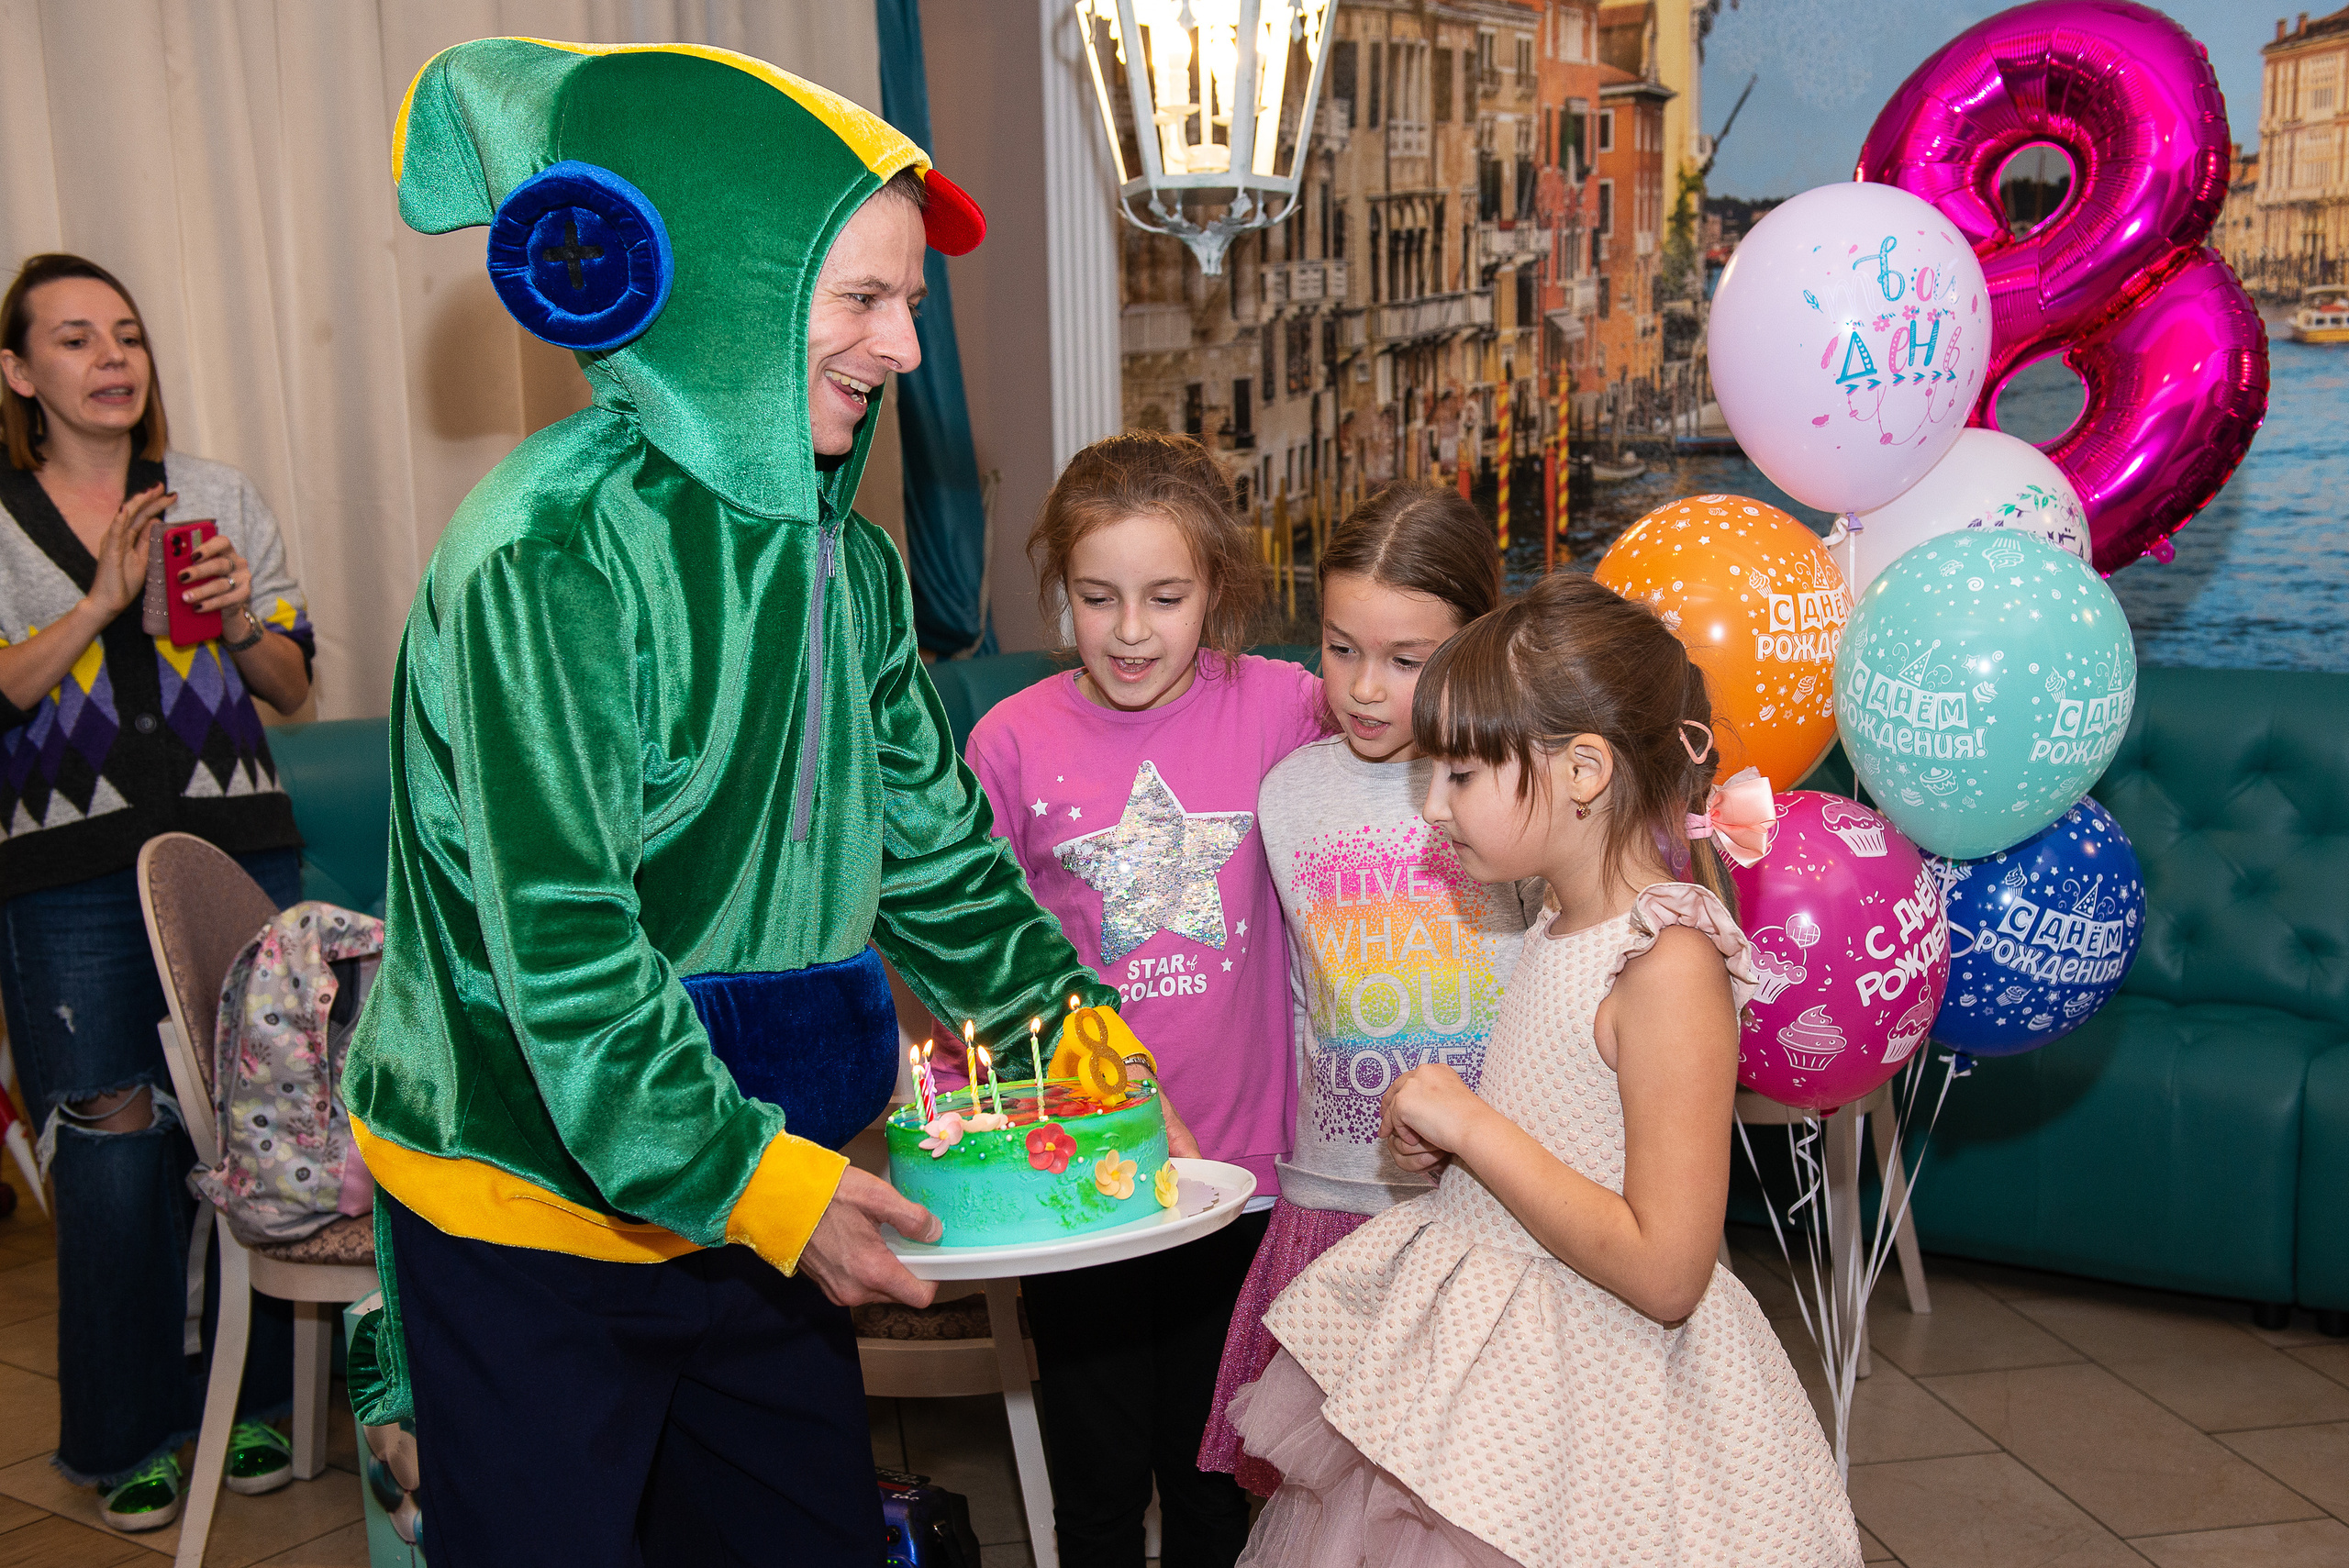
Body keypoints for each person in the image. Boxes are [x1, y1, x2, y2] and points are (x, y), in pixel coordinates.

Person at [340, 39, 1129, 1566]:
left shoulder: (857, 561)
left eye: (911, 303)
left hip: (762, 1191)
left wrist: (1082, 1045)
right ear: (723, 289)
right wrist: (759, 1184)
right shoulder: (545, 555)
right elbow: (561, 946)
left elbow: (938, 855)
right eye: (862, 299)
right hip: (536, 1215)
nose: (905, 346)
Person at [1229, 572, 1861, 1567]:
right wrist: (1454, 1146)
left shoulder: (1666, 963)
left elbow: (1665, 1267)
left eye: (1462, 776)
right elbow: (1571, 1134)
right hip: (1499, 1358)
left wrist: (1479, 1129)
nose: (1434, 807)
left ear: (1579, 770)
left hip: (1599, 1395)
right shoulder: (1556, 921)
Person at [961, 430, 1327, 1568]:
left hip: (1245, 1182)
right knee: (1099, 1489)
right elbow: (972, 941)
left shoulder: (1281, 705)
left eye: (1165, 596)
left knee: (1218, 1483)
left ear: (1215, 586)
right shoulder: (1009, 742)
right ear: (1057, 588)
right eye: (1096, 595)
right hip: (1089, 1185)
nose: (1130, 630)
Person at [0, 252, 317, 1528]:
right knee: (115, 1152)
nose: (111, 357)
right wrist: (101, 602)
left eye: (125, 333)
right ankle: (126, 1431)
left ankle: (256, 1403)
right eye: (73, 339)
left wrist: (243, 621)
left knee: (257, 1135)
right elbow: (15, 690)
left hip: (239, 849)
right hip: (68, 874)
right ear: (19, 374)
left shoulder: (215, 493)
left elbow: (290, 685)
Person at [1197, 484, 1540, 1498]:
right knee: (1331, 1501)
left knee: (1468, 1497)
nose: (1367, 689)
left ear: (1475, 643)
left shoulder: (1510, 789)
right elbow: (1307, 996)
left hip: (1489, 1210)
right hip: (1331, 1201)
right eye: (1341, 647)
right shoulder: (1289, 792)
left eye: (1406, 659)